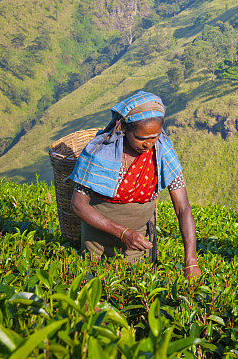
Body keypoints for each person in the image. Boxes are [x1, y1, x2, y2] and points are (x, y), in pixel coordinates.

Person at [69, 91, 201, 279]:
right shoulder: (101, 153)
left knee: (136, 290)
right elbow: (78, 205)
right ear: (124, 129)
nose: (148, 144)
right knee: (97, 290)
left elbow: (183, 208)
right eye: (141, 138)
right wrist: (122, 233)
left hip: (139, 240)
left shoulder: (162, 152)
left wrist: (191, 261)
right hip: (98, 241)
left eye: (154, 136)